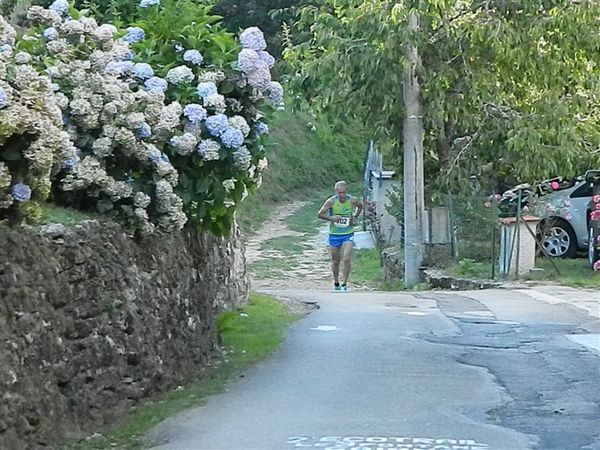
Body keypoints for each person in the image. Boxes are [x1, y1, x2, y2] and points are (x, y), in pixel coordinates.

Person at [317, 181, 363, 291]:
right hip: (334, 234)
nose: (342, 195)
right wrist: (331, 218)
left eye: (344, 192)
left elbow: (360, 206)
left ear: (346, 191)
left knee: (347, 258)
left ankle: (345, 284)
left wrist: (355, 216)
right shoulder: (331, 201)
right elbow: (320, 214)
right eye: (339, 193)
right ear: (336, 192)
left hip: (348, 234)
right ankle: (336, 282)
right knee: (335, 261)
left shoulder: (352, 200)